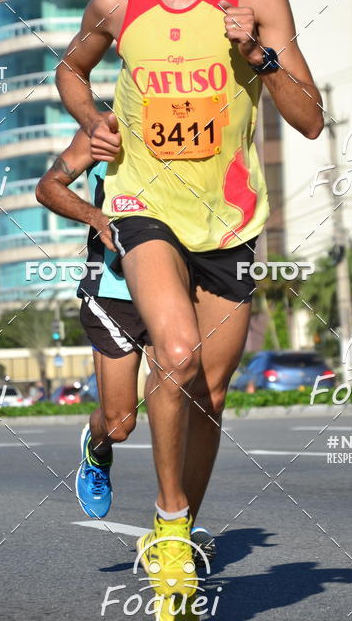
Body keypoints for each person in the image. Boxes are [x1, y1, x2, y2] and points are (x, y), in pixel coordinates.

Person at [55, 0, 323, 621]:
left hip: (230, 218)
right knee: (171, 354)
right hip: (142, 206)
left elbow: (309, 118)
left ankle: (183, 527)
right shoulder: (117, 2)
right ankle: (171, 533)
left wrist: (259, 57)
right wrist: (92, 121)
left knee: (206, 390)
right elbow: (72, 68)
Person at [36, 131, 218, 576]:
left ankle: (175, 523)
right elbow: (47, 187)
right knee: (120, 424)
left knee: (184, 395)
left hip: (176, 289)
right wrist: (98, 219)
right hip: (113, 292)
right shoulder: (104, 129)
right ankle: (97, 449)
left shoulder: (197, 123)